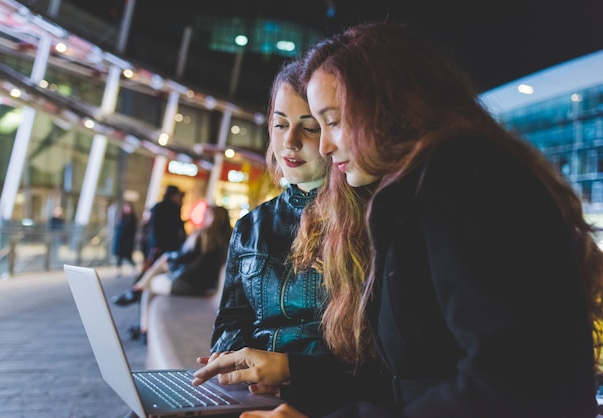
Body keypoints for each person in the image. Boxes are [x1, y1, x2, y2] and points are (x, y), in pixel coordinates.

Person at [192, 22, 603, 418]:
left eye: (330, 121)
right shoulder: (423, 189)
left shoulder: (462, 180)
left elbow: (513, 387)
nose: (327, 143)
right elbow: (416, 382)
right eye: (284, 124)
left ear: (387, 108)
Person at [198, 60, 391, 417]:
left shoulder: (370, 220)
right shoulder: (250, 226)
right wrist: (241, 362)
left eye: (310, 128)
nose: (290, 141)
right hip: (255, 392)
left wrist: (288, 370)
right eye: (281, 124)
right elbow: (230, 322)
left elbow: (380, 359)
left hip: (331, 399)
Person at [114, 205, 232, 343]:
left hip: (186, 284)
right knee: (150, 286)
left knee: (148, 286)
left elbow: (191, 261)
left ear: (215, 218)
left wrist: (173, 265)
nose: (204, 217)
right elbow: (195, 261)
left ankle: (139, 309)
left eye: (207, 215)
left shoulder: (207, 236)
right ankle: (143, 326)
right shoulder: (223, 238)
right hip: (194, 284)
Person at [111, 184, 186, 304]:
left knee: (148, 274)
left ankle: (134, 292)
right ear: (174, 195)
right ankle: (135, 292)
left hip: (160, 249)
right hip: (162, 249)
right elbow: (164, 231)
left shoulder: (161, 207)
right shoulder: (168, 208)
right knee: (149, 273)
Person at [113, 201, 138, 276]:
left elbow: (132, 231)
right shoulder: (122, 217)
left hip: (127, 241)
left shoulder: (132, 218)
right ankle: (118, 271)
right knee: (119, 257)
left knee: (128, 257)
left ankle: (134, 268)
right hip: (120, 241)